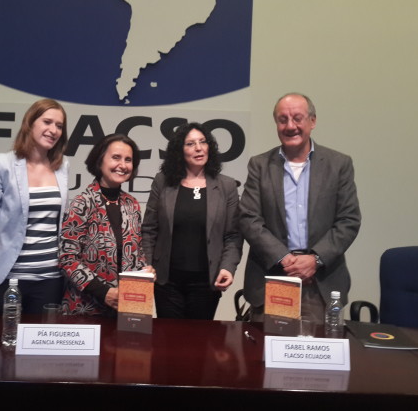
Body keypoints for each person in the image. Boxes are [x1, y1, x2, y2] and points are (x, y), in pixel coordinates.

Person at [239, 93, 361, 320]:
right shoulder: (260, 165)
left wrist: (315, 259)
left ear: (312, 121)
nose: (290, 126)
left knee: (317, 343)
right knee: (268, 343)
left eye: (297, 118)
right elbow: (248, 218)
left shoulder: (338, 164)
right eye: (282, 119)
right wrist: (284, 258)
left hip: (320, 283)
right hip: (274, 278)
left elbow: (348, 220)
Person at [0, 99, 69, 319]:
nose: (53, 130)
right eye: (47, 122)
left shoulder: (63, 167)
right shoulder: (1, 164)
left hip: (50, 280)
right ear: (30, 123)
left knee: (42, 341)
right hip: (8, 279)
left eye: (59, 126)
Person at [142, 122, 242, 319]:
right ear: (179, 151)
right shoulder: (162, 181)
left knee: (201, 337)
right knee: (168, 336)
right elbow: (149, 229)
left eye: (203, 142)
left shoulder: (227, 185)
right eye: (190, 144)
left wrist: (227, 267)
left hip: (207, 282)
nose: (198, 148)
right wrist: (147, 264)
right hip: (166, 282)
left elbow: (233, 235)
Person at [59, 133, 152, 315]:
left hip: (127, 308)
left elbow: (137, 253)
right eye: (116, 157)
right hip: (86, 308)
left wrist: (145, 270)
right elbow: (67, 258)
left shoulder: (132, 205)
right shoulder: (82, 203)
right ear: (100, 160)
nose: (122, 165)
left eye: (128, 160)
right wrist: (104, 293)